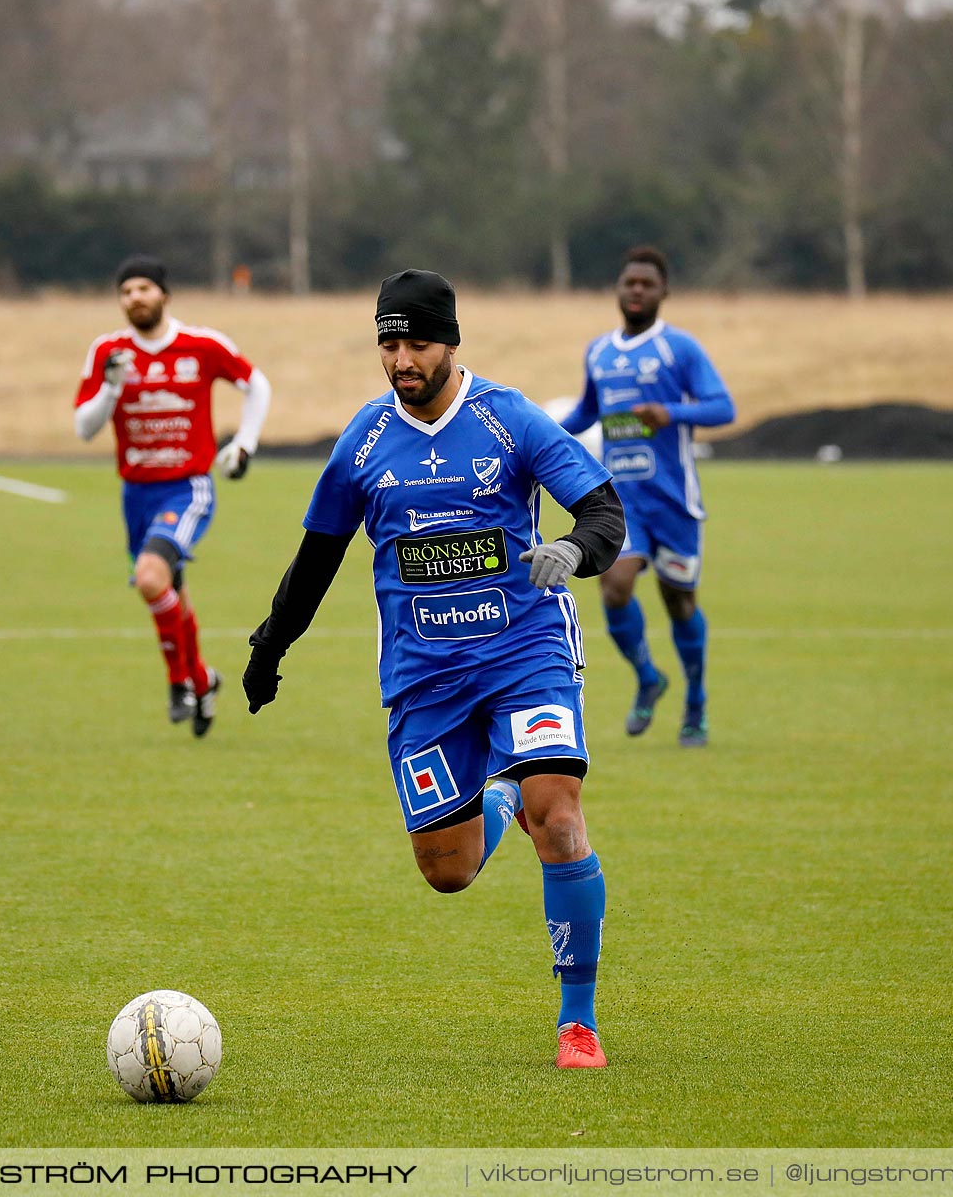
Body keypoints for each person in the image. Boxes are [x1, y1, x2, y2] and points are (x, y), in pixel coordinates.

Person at [243, 270, 626, 1068]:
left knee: (558, 816)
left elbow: (603, 513)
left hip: (524, 652)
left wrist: (573, 550)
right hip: (424, 676)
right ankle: (504, 785)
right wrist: (270, 646)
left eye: (417, 341)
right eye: (389, 343)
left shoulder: (509, 418)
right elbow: (316, 559)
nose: (401, 358)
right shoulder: (365, 442)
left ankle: (577, 1022)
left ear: (451, 342)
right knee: (446, 872)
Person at [74, 254, 272, 737]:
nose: (134, 298)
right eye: (125, 291)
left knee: (149, 578)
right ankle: (203, 680)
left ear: (163, 294)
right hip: (134, 494)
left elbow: (257, 384)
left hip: (187, 489)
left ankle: (179, 685)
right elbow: (84, 428)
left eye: (143, 288)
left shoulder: (201, 345)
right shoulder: (108, 352)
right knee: (167, 592)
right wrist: (111, 389)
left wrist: (243, 443)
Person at [559, 246, 735, 748]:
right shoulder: (599, 352)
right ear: (618, 289)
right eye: (629, 282)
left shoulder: (680, 349)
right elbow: (585, 414)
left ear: (663, 292)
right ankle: (646, 678)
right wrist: (537, 435)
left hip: (675, 503)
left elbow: (723, 407)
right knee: (614, 586)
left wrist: (672, 413)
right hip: (623, 503)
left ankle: (695, 701)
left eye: (646, 283)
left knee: (680, 604)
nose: (636, 290)